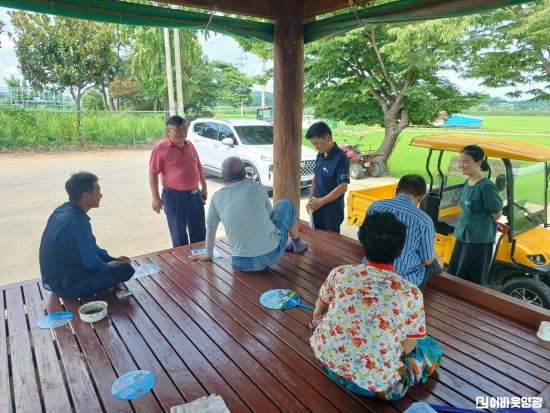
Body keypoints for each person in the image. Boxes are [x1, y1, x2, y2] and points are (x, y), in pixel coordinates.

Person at [310, 212, 442, 400]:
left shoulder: (340, 273)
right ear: (400, 248)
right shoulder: (410, 293)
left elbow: (318, 309)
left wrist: (317, 319)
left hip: (326, 361)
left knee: (325, 317)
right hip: (375, 386)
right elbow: (407, 348)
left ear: (363, 241)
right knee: (431, 347)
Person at [189, 157, 308, 271]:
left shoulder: (216, 197)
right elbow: (271, 216)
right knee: (285, 204)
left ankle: (284, 243)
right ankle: (297, 244)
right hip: (271, 255)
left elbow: (210, 228)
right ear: (245, 173)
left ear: (223, 179)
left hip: (241, 263)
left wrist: (208, 254)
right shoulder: (258, 188)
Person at [39, 172, 135, 299]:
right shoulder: (78, 222)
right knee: (126, 269)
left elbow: (92, 248)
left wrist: (113, 259)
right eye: (98, 191)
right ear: (86, 196)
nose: (101, 195)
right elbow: (91, 263)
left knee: (118, 264)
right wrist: (111, 265)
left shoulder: (62, 210)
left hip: (57, 279)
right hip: (68, 286)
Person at [364, 174, 443, 290]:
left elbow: (364, 240)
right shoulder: (424, 220)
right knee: (438, 261)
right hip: (404, 280)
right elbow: (427, 260)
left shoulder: (376, 206)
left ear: (397, 190)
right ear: (421, 197)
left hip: (369, 268)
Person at [448, 145, 503, 285]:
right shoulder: (468, 182)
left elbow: (497, 214)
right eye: (460, 161)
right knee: (456, 273)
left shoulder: (486, 187)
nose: (461, 165)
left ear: (478, 163)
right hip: (463, 235)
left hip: (478, 240)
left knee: (470, 280)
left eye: (465, 162)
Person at [149, 115, 207, 247]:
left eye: (184, 129)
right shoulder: (160, 149)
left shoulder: (190, 145)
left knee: (199, 232)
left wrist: (204, 186)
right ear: (169, 131)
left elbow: (198, 166)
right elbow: (153, 173)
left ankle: (200, 262)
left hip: (195, 195)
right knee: (179, 234)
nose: (182, 133)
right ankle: (182, 265)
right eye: (178, 130)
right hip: (174, 197)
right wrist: (155, 197)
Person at [305, 121, 350, 233]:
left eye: (317, 143)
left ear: (328, 138)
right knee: (316, 235)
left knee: (330, 240)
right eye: (313, 145)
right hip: (317, 203)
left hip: (332, 208)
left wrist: (321, 201)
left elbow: (343, 187)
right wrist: (311, 199)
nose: (316, 147)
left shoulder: (341, 157)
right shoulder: (320, 155)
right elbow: (316, 177)